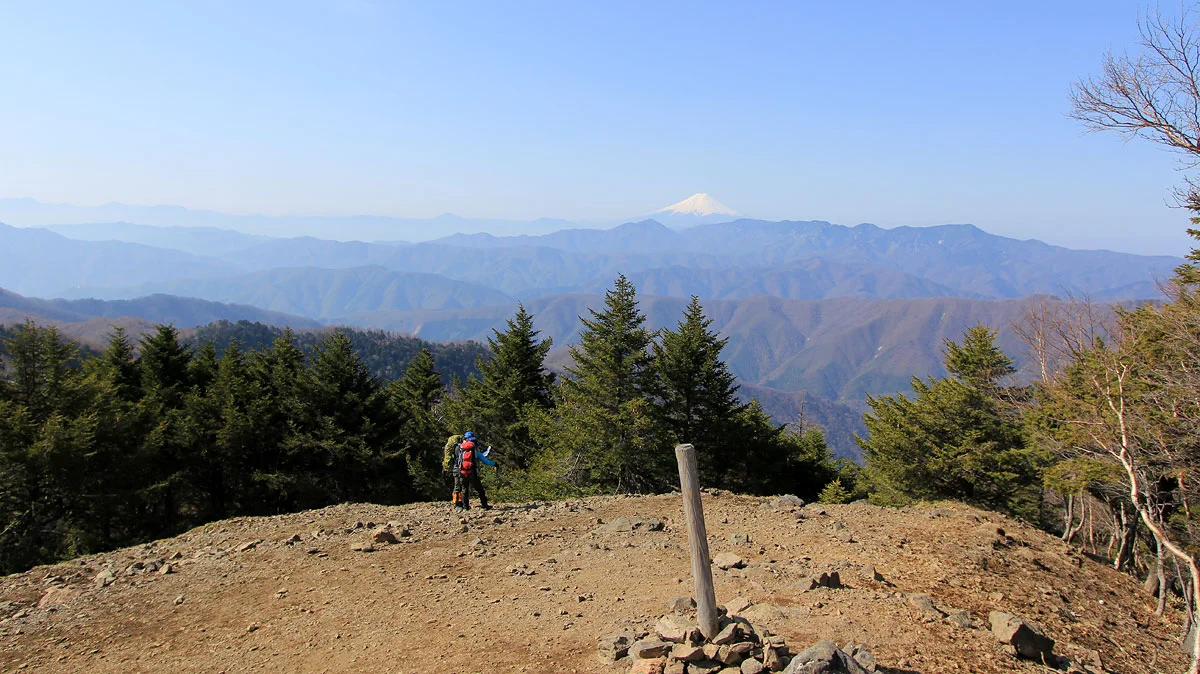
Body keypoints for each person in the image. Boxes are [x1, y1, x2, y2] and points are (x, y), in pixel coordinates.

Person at [452, 431, 495, 511]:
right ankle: (484, 505)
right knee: (479, 488)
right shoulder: (474, 449)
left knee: (464, 489)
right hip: (472, 472)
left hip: (460, 471)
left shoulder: (458, 448)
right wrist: (495, 464)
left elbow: (455, 459)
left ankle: (465, 507)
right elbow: (485, 460)